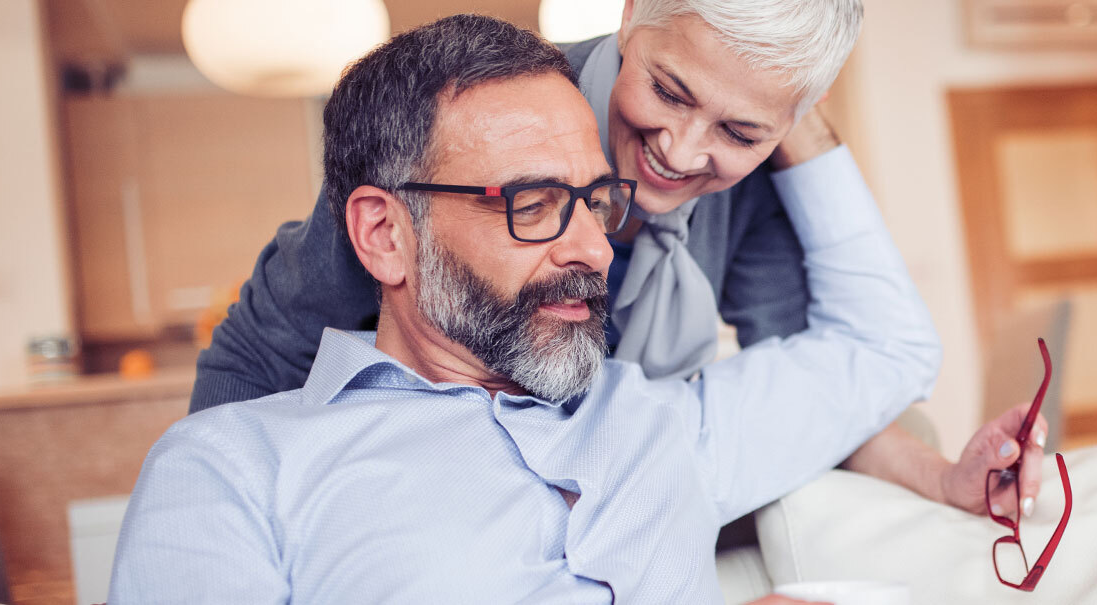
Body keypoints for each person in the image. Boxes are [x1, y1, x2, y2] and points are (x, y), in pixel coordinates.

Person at [111, 16, 935, 602]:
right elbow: (260, 349)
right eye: (534, 203)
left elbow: (882, 346)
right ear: (384, 235)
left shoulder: (660, 424)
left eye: (599, 201)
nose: (596, 250)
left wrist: (787, 110)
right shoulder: (235, 469)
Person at [193, 0, 1050, 517]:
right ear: (632, 16)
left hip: (622, 500)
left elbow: (826, 383)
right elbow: (259, 356)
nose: (681, 149)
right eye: (670, 91)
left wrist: (942, 478)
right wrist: (236, 513)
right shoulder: (483, 121)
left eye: (742, 128)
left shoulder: (753, 187)